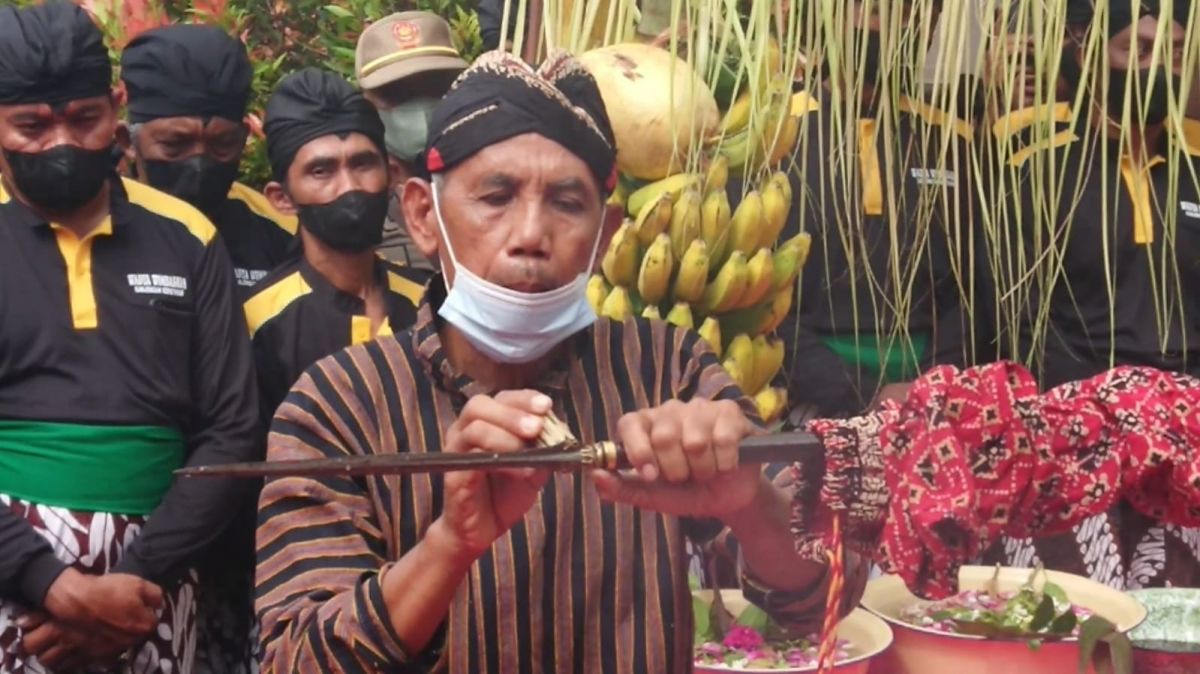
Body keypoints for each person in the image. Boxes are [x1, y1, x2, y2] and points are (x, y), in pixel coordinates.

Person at [255, 50, 863, 674]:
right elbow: (293, 658)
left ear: (606, 237)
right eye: (495, 197)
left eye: (568, 204)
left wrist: (746, 502)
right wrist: (446, 547)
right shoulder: (336, 405)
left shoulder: (666, 370)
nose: (530, 236)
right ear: (422, 215)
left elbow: (820, 596)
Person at [0, 3, 259, 673]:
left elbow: (231, 428)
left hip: (156, 581)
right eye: (31, 126)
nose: (61, 142)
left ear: (118, 106)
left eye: (84, 119)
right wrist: (48, 583)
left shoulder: (188, 238)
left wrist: (137, 583)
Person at [978, 0, 1200, 590]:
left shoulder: (1198, 163)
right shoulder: (1031, 159)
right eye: (1138, 52)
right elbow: (1010, 312)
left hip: (1190, 432)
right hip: (1073, 428)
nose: (1157, 70)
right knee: (1073, 613)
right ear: (1090, 58)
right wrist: (1087, 411)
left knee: (1175, 623)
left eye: (1173, 55)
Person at [767, 0, 974, 422]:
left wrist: (927, 386)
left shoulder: (952, 138)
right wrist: (859, 391)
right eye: (862, 5)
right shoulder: (772, 133)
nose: (881, 16)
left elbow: (972, 293)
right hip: (805, 399)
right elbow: (760, 294)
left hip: (934, 402)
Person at [247, 68, 431, 426]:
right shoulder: (258, 321)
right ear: (282, 198)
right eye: (321, 171)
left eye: (363, 164)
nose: (349, 187)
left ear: (392, 174)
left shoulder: (427, 301)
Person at [119, 24, 298, 297]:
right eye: (175, 145)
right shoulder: (92, 227)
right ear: (126, 142)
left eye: (222, 144)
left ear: (243, 140)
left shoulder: (282, 233)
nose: (199, 163)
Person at [355, 11, 467, 269]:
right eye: (397, 94)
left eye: (434, 89)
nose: (421, 109)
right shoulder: (357, 222)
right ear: (367, 105)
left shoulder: (501, 192)